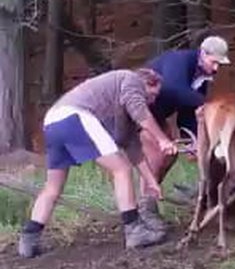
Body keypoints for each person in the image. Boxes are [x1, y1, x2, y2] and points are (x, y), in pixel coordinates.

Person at [18, 68, 178, 258]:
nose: (152, 101)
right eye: (152, 95)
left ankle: (29, 240)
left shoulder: (118, 103)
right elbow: (141, 113)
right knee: (122, 169)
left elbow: (132, 146)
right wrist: (163, 140)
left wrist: (151, 181)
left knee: (53, 187)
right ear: (146, 83)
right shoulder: (131, 80)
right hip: (74, 116)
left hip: (53, 121)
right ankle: (134, 230)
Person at [137, 35, 231, 231]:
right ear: (203, 54)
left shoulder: (202, 77)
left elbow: (187, 111)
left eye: (219, 65)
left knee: (169, 156)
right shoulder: (179, 60)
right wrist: (208, 104)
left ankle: (147, 202)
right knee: (155, 156)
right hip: (139, 113)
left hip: (158, 116)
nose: (215, 69)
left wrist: (193, 140)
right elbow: (174, 89)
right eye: (214, 62)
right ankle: (144, 213)